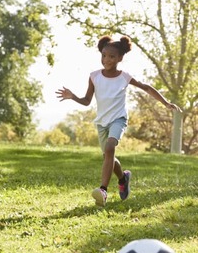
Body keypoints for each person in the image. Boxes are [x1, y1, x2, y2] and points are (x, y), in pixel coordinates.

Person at [56, 35, 180, 207]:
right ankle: (123, 178)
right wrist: (72, 97)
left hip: (118, 119)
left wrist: (165, 103)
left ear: (120, 58)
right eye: (104, 55)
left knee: (110, 147)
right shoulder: (94, 76)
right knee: (109, 156)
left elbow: (146, 87)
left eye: (111, 56)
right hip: (101, 122)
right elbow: (86, 101)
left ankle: (103, 191)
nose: (106, 59)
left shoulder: (124, 77)